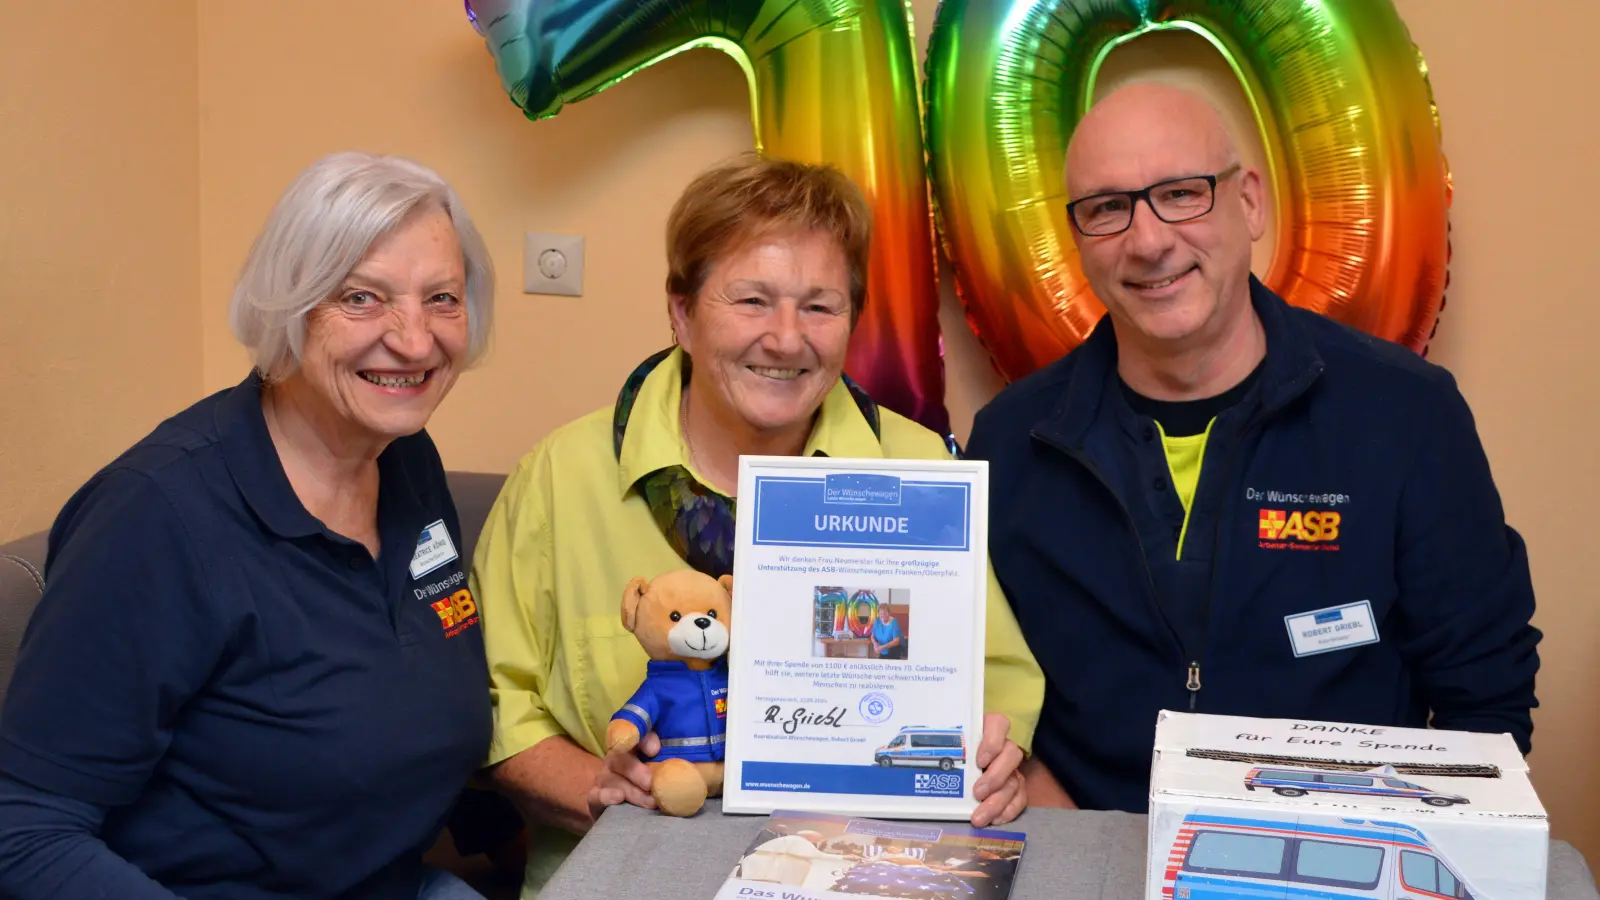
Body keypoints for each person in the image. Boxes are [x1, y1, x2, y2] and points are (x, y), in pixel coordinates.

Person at [470, 155, 1045, 892]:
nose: (785, 338)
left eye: (819, 306)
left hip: (861, 871)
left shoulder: (920, 467)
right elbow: (496, 704)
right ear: (681, 311)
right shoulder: (560, 475)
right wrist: (599, 788)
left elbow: (995, 679)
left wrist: (997, 754)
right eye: (751, 301)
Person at [965, 82, 1541, 813]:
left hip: (1343, 853)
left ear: (1250, 202)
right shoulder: (1012, 441)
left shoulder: (1407, 415)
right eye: (1108, 208)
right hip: (1096, 855)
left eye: (1182, 193)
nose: (1148, 241)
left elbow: (1485, 702)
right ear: (1077, 239)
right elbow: (986, 697)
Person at [0, 152, 497, 899]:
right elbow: (23, 828)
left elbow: (414, 712)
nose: (416, 340)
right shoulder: (157, 517)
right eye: (362, 298)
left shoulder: (404, 460)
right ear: (289, 308)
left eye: (443, 299)